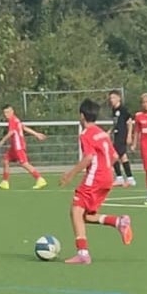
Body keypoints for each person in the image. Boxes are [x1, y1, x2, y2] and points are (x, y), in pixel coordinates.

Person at [59, 99, 133, 265]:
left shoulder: (86, 134)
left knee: (75, 211)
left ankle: (83, 253)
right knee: (85, 216)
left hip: (95, 178)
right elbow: (115, 156)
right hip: (107, 177)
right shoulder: (102, 133)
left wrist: (70, 174)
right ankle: (118, 222)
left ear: (82, 116)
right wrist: (106, 171)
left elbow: (89, 157)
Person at [0, 104, 48, 190]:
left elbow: (11, 132)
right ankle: (5, 182)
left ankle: (40, 179)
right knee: (5, 160)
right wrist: (36, 134)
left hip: (18, 146)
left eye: (8, 112)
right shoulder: (16, 119)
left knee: (24, 163)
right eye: (5, 112)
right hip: (14, 146)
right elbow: (24, 128)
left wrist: (2, 141)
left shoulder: (12, 120)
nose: (6, 114)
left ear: (12, 111)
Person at [106, 90, 136, 187]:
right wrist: (110, 131)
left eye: (114, 97)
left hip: (122, 135)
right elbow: (116, 123)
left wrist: (129, 135)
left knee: (114, 155)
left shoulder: (123, 109)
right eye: (111, 98)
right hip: (117, 135)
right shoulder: (114, 110)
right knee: (123, 156)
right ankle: (129, 178)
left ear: (119, 98)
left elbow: (129, 122)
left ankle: (120, 177)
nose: (112, 100)